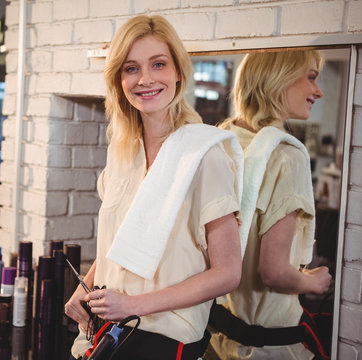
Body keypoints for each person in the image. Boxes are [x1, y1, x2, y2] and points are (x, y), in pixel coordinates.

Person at [64, 14, 244, 360]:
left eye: (157, 64)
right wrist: (83, 288)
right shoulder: (122, 152)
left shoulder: (204, 155)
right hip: (110, 332)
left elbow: (227, 273)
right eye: (131, 68)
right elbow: (120, 245)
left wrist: (133, 305)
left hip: (165, 342)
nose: (145, 79)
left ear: (178, 71)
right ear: (118, 79)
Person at [208, 50, 333, 360]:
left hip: (217, 339)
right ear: (278, 79)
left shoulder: (220, 141)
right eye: (311, 77)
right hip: (267, 347)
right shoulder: (286, 157)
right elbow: (274, 271)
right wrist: (313, 282)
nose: (318, 92)